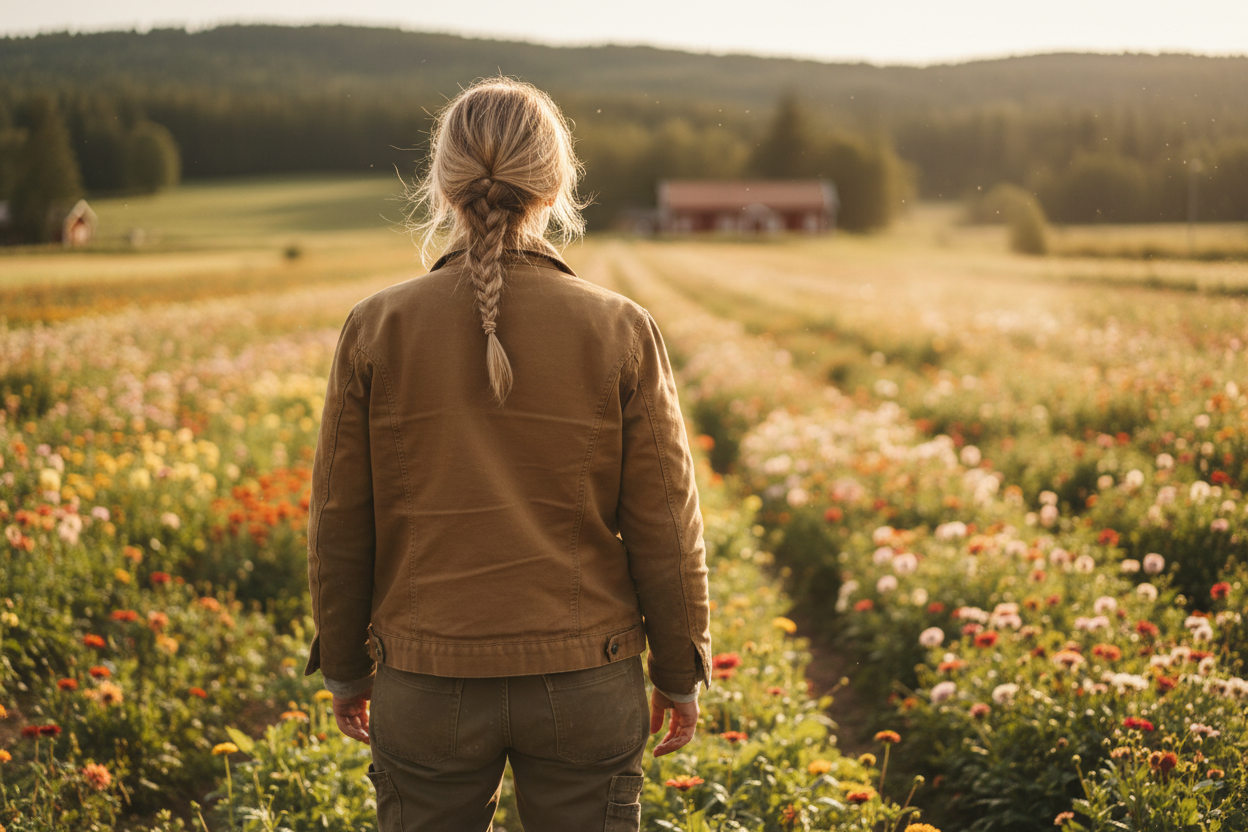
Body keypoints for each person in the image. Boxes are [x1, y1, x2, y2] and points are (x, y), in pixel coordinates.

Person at [302, 76, 712, 832]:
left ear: (443, 183)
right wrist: (680, 673)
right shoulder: (621, 328)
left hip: (425, 682)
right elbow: (666, 520)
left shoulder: (375, 326)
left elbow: (337, 519)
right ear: (556, 184)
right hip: (587, 678)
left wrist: (344, 668)